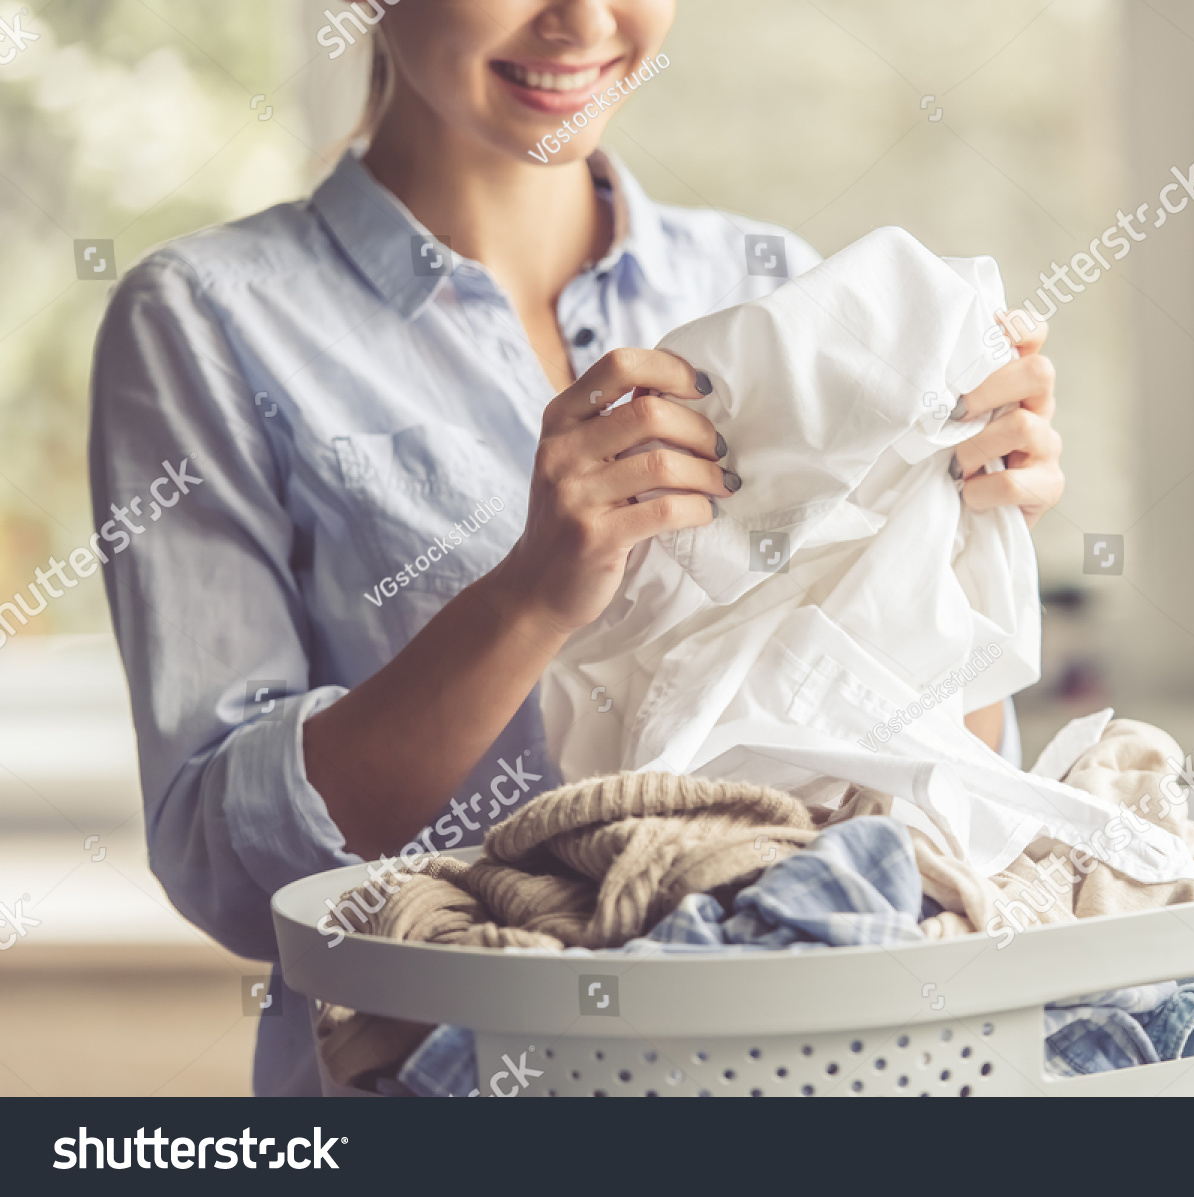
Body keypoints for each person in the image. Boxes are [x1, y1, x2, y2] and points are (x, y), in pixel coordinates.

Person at [88, 0, 1064, 1096]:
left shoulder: (781, 288)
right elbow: (227, 867)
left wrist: (962, 539)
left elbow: (946, 806)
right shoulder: (206, 321)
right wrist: (528, 600)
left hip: (787, 1083)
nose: (584, 20)